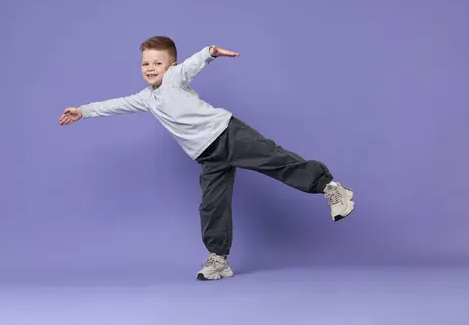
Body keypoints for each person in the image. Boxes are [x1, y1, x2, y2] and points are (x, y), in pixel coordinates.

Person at [59, 36, 355, 281]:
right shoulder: (146, 98)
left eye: (157, 63)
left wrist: (209, 53)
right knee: (212, 205)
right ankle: (219, 259)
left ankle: (331, 187)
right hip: (207, 156)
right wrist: (83, 111)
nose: (150, 68)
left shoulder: (175, 78)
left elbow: (190, 66)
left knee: (274, 160)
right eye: (145, 63)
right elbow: (117, 105)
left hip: (227, 134)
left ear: (170, 65)